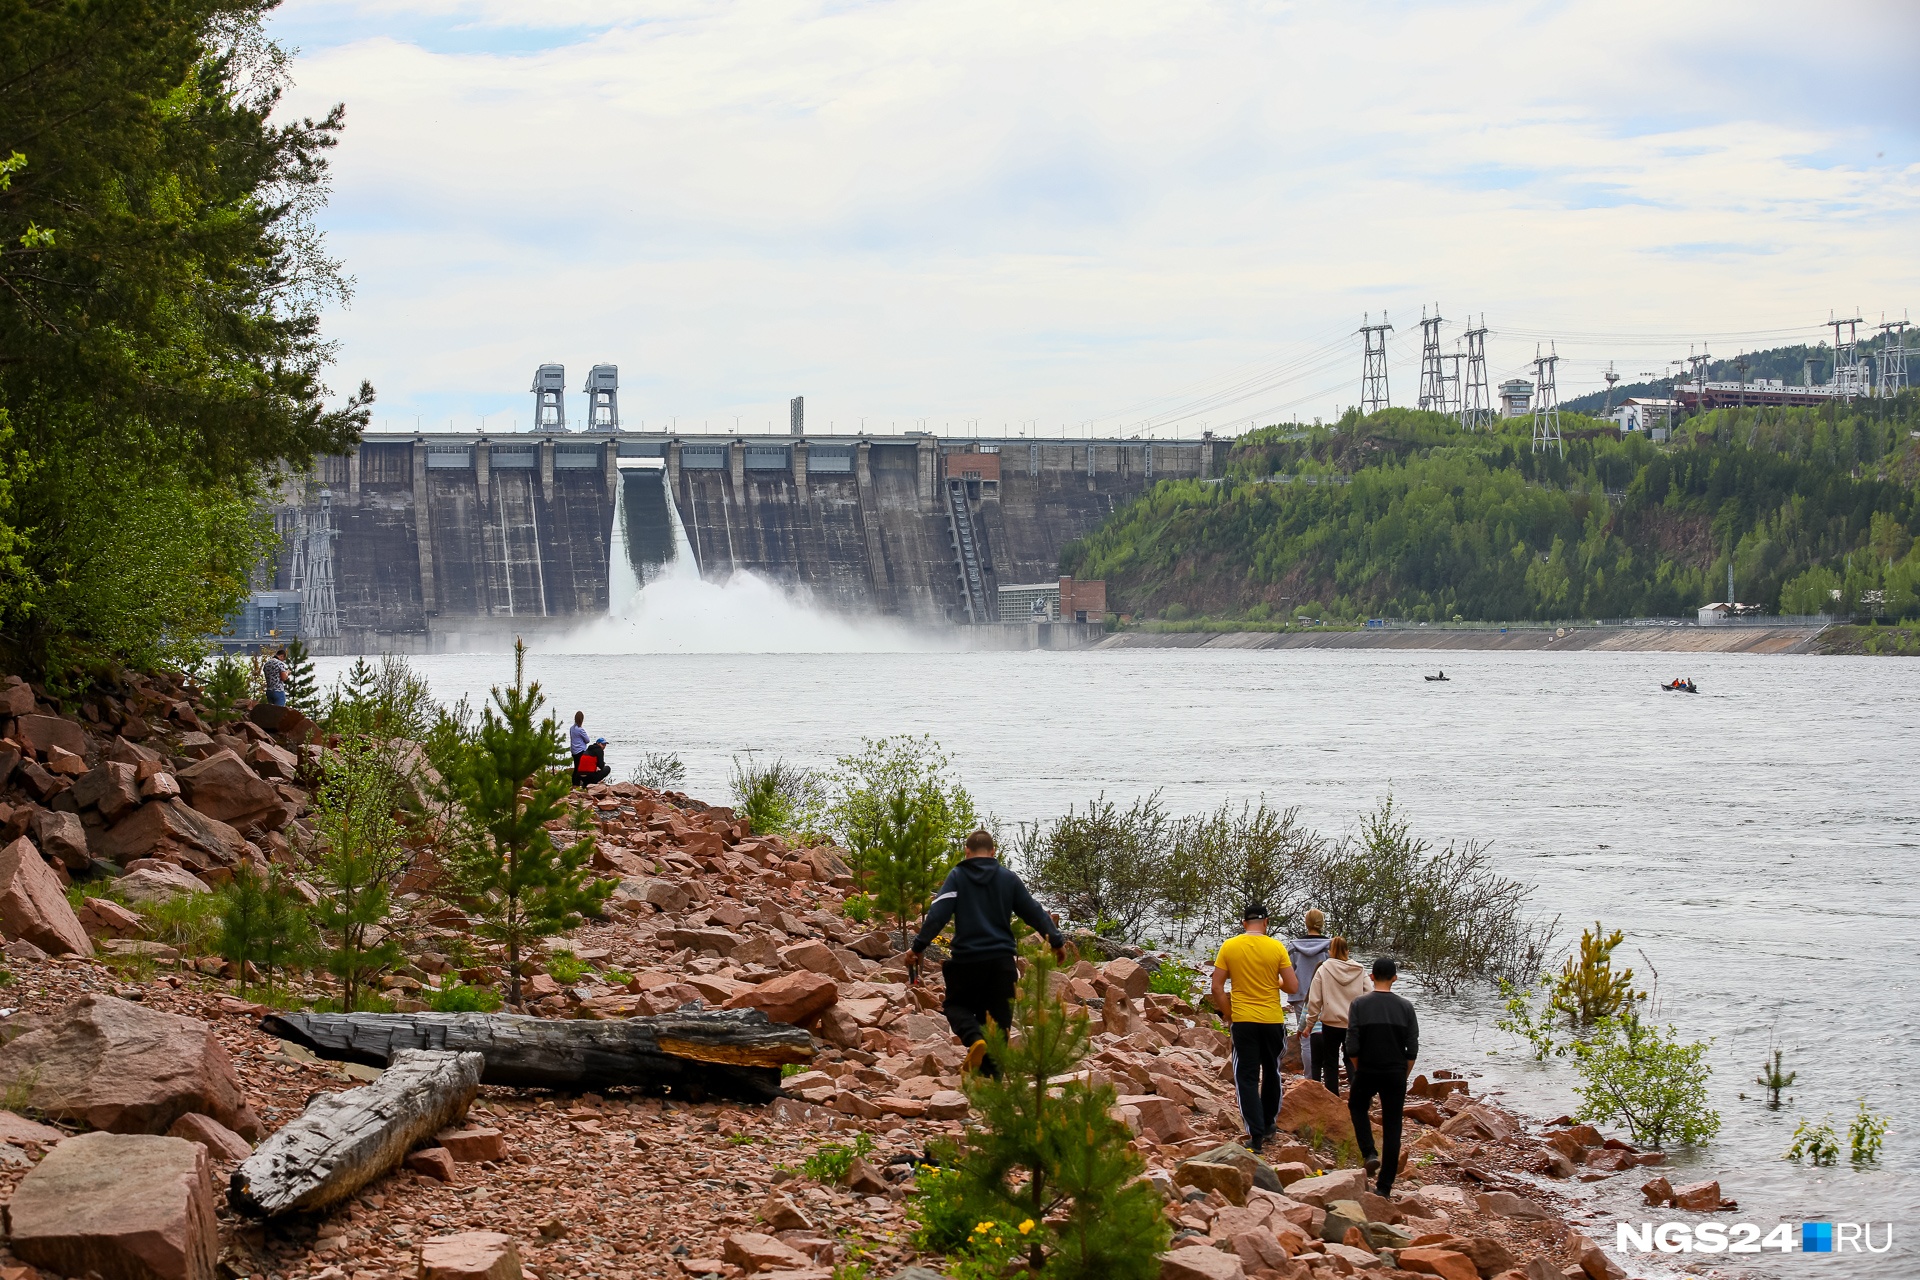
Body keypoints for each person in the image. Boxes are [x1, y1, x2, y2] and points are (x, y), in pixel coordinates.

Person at [907, 830, 1066, 1076]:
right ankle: (991, 1087)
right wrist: (1056, 940)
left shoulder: (958, 876)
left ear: (967, 852)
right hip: (1002, 963)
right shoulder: (1008, 879)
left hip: (967, 961)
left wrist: (917, 948)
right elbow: (1034, 911)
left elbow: (938, 914)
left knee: (956, 1005)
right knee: (998, 1027)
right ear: (993, 853)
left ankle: (974, 1038)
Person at [1211, 901, 1298, 1150]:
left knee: (1246, 1076)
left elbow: (1217, 987)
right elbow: (1293, 987)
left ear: (1243, 923)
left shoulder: (1230, 946)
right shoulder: (1276, 947)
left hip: (1244, 1019)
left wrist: (1229, 1015)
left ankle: (1256, 1134)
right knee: (1272, 1072)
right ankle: (1269, 1124)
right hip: (1272, 1020)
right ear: (1266, 923)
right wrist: (1278, 981)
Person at [1346, 957, 1419, 1196]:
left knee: (1357, 1106)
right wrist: (1404, 1073)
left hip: (1367, 1069)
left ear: (1371, 976)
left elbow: (1352, 1045)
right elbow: (1412, 1047)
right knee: (1393, 1125)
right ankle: (1385, 1187)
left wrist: (1359, 1067)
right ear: (1395, 978)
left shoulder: (1359, 1004)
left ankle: (1369, 1152)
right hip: (1395, 1072)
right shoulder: (1406, 1007)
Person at [1301, 936, 1369, 1096]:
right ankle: (1358, 1093)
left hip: (1331, 1023)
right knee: (1351, 1059)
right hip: (1353, 1022)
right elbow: (1369, 992)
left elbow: (1315, 999)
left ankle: (1333, 1097)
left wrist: (1309, 1024)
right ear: (1347, 951)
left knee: (1330, 1062)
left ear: (1330, 951)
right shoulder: (1359, 969)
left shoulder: (1323, 969)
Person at [1287, 909, 1331, 1076]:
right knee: (1327, 1036)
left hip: (1301, 996)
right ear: (1322, 923)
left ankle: (1310, 1077)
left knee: (1306, 1038)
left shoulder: (1293, 946)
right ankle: (1327, 1075)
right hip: (1326, 997)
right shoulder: (1331, 945)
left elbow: (1288, 972)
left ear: (1306, 923)